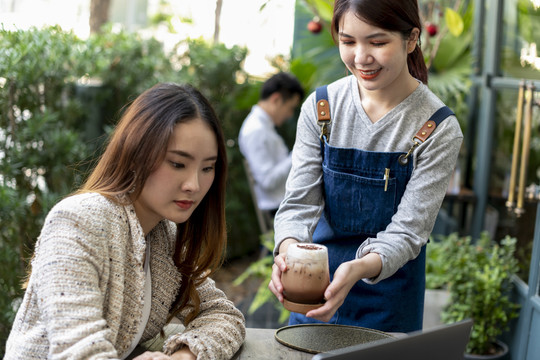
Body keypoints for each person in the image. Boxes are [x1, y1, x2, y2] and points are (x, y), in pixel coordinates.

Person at [5, 83, 245, 360]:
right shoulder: (78, 222)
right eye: (178, 164)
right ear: (136, 152)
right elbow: (78, 353)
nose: (194, 184)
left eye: (207, 168)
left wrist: (185, 355)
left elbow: (223, 314)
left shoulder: (164, 234)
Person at [269, 0, 463, 333]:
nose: (361, 57)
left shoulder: (436, 127)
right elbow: (299, 205)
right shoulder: (320, 108)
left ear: (412, 38)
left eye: (377, 42)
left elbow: (408, 231)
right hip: (315, 290)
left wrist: (357, 268)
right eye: (348, 41)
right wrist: (287, 255)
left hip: (389, 302)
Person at [238, 72, 304, 215]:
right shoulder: (255, 130)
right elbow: (267, 181)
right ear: (276, 99)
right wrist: (299, 153)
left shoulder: (263, 127)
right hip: (281, 208)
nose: (290, 115)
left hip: (287, 203)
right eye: (290, 107)